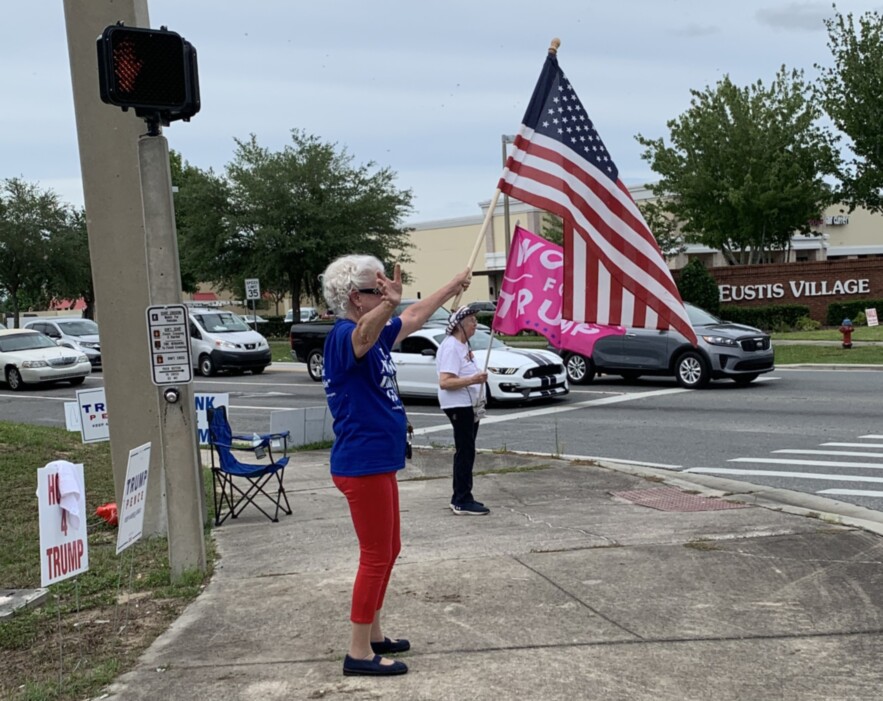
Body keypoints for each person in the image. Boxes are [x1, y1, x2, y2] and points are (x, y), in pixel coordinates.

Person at [321, 254, 471, 677]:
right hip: (361, 463)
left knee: (389, 550)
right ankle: (358, 654)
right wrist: (389, 304)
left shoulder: (374, 330)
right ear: (356, 298)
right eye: (377, 289)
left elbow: (414, 316)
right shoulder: (343, 335)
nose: (386, 294)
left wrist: (451, 285)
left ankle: (373, 633)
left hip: (378, 462)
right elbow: (364, 337)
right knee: (374, 555)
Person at [436, 305, 490, 515]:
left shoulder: (462, 345)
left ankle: (462, 496)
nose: (475, 323)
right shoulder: (451, 347)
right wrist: (474, 379)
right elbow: (445, 382)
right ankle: (461, 499)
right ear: (459, 324)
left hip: (469, 404)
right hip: (458, 404)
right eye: (471, 320)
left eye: (476, 320)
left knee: (467, 450)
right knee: (465, 451)